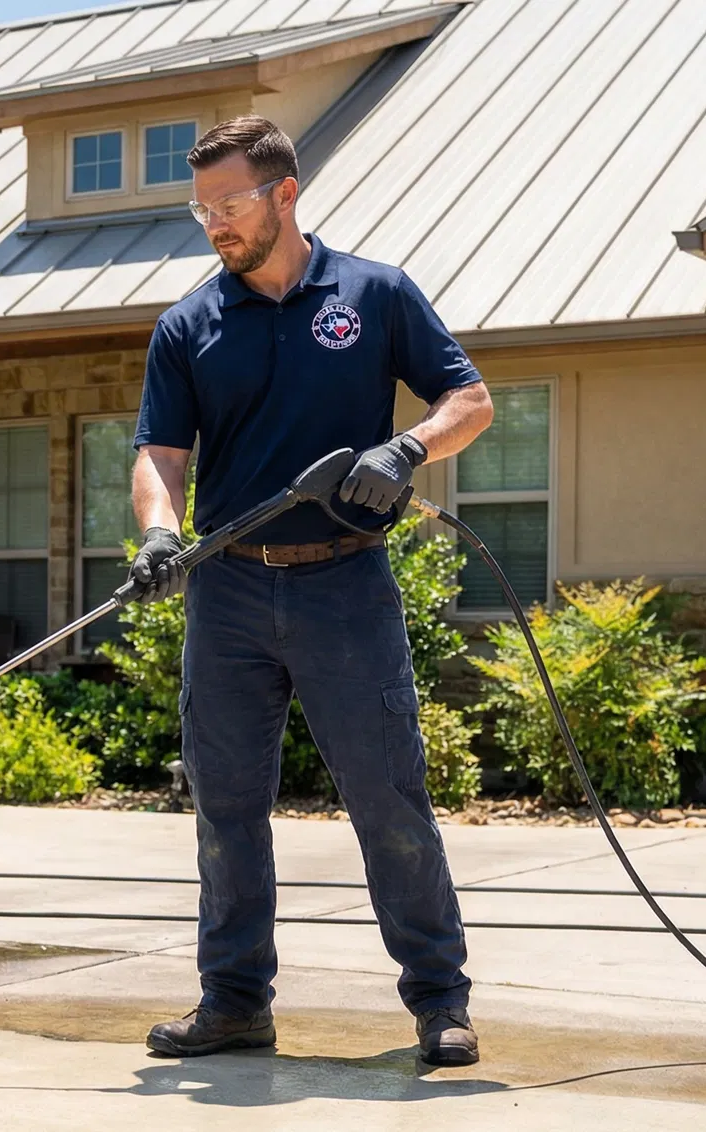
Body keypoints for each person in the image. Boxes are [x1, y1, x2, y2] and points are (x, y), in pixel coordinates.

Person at [127, 115, 494, 1067]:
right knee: (227, 807)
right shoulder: (189, 325)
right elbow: (159, 455)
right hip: (229, 597)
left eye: (230, 202)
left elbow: (470, 400)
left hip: (345, 591)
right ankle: (234, 1002)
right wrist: (162, 536)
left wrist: (407, 446)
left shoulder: (374, 294)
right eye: (200, 207)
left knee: (387, 798)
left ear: (285, 194)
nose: (213, 223)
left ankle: (439, 1003)